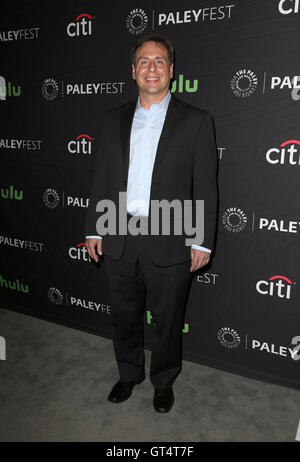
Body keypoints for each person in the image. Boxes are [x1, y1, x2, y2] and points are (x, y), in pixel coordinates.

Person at [85, 35, 218, 413]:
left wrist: (202, 240)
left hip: (171, 235)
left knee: (168, 320)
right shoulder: (113, 119)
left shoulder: (196, 121)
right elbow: (102, 178)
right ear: (133, 70)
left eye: (160, 61)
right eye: (144, 61)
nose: (152, 68)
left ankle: (163, 381)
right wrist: (95, 227)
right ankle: (128, 374)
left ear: (172, 71)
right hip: (119, 232)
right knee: (124, 315)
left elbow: (205, 186)